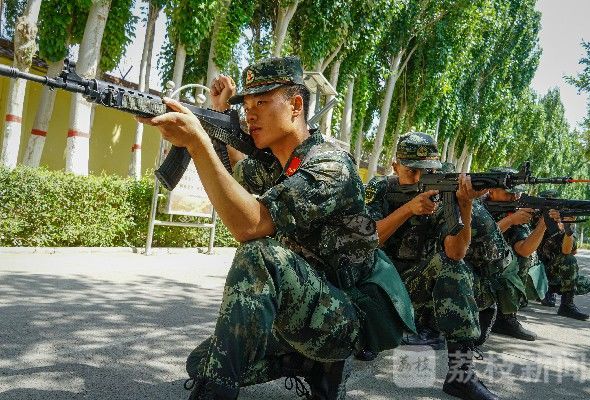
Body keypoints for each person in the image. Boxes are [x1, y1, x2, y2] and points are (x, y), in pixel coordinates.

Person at [138, 56, 415, 400]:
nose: (250, 114)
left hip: (347, 314)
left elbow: (250, 225)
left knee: (259, 255)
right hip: (303, 303)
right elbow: (235, 174)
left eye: (262, 103)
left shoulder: (331, 166)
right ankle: (308, 364)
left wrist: (197, 142)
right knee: (204, 363)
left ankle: (236, 389)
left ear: (296, 105)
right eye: (246, 106)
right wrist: (218, 117)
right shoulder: (279, 164)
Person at [364, 133, 498, 400]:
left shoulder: (440, 196)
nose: (419, 179)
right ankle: (368, 331)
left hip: (414, 287)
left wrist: (465, 205)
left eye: (426, 172)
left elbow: (455, 253)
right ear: (395, 167)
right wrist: (408, 209)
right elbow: (367, 239)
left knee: (453, 267)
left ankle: (461, 375)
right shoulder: (379, 189)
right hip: (377, 287)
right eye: (412, 171)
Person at [483, 170, 556, 341]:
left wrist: (543, 225)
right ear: (491, 190)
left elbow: (524, 250)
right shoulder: (474, 205)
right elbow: (474, 240)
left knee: (520, 259)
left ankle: (506, 317)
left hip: (490, 266)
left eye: (517, 193)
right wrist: (509, 221)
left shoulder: (513, 211)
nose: (514, 197)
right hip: (470, 262)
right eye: (509, 193)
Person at [537, 190, 590, 320]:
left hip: (552, 270)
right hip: (533, 271)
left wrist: (567, 229)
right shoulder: (531, 219)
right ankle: (540, 290)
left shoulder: (562, 221)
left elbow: (568, 252)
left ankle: (566, 304)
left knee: (583, 281)